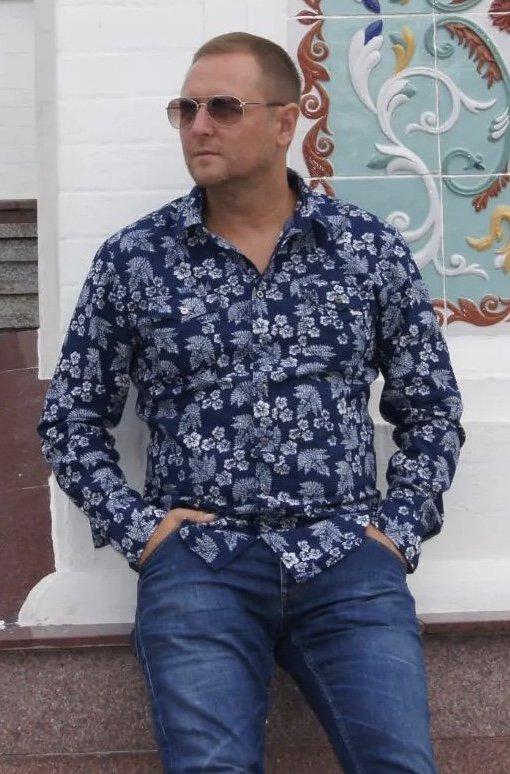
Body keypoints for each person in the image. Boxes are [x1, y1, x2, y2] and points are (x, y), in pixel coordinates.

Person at [36, 30, 465, 774]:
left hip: (347, 560)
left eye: (224, 108)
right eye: (186, 109)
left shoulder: (365, 250)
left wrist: (397, 529)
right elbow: (70, 417)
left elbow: (430, 406)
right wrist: (141, 531)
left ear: (285, 122)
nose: (199, 126)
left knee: (400, 763)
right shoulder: (136, 259)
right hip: (201, 566)